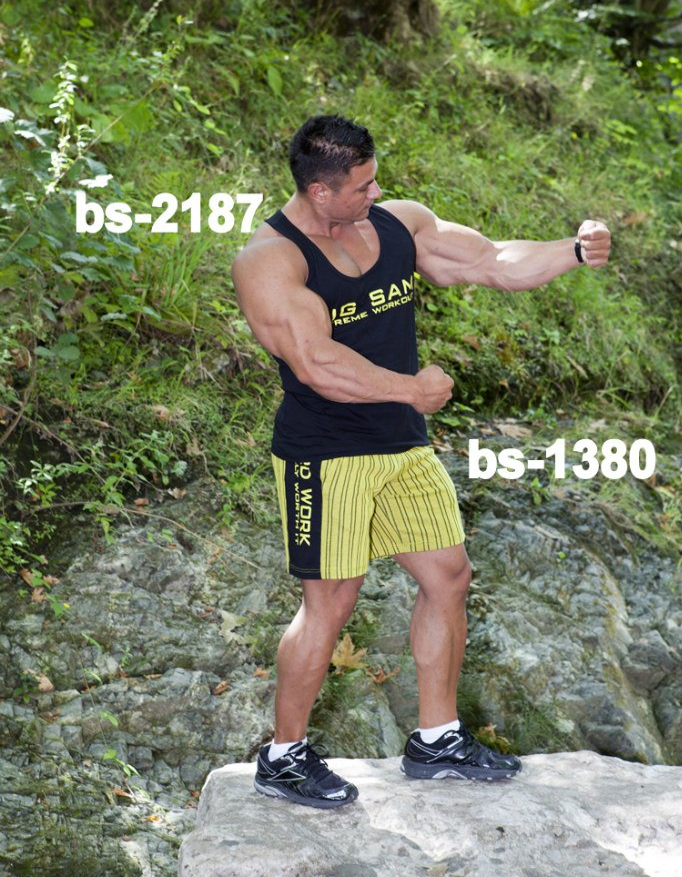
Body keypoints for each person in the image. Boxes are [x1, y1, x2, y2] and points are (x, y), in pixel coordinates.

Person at [231, 114, 611, 810]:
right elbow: (317, 363)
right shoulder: (270, 260)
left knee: (448, 575)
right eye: (363, 186)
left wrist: (574, 251)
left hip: (401, 445)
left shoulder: (395, 225)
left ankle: (436, 741)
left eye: (376, 179)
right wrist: (412, 389)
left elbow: (490, 260)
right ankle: (283, 758)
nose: (377, 193)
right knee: (331, 602)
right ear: (320, 191)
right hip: (326, 451)